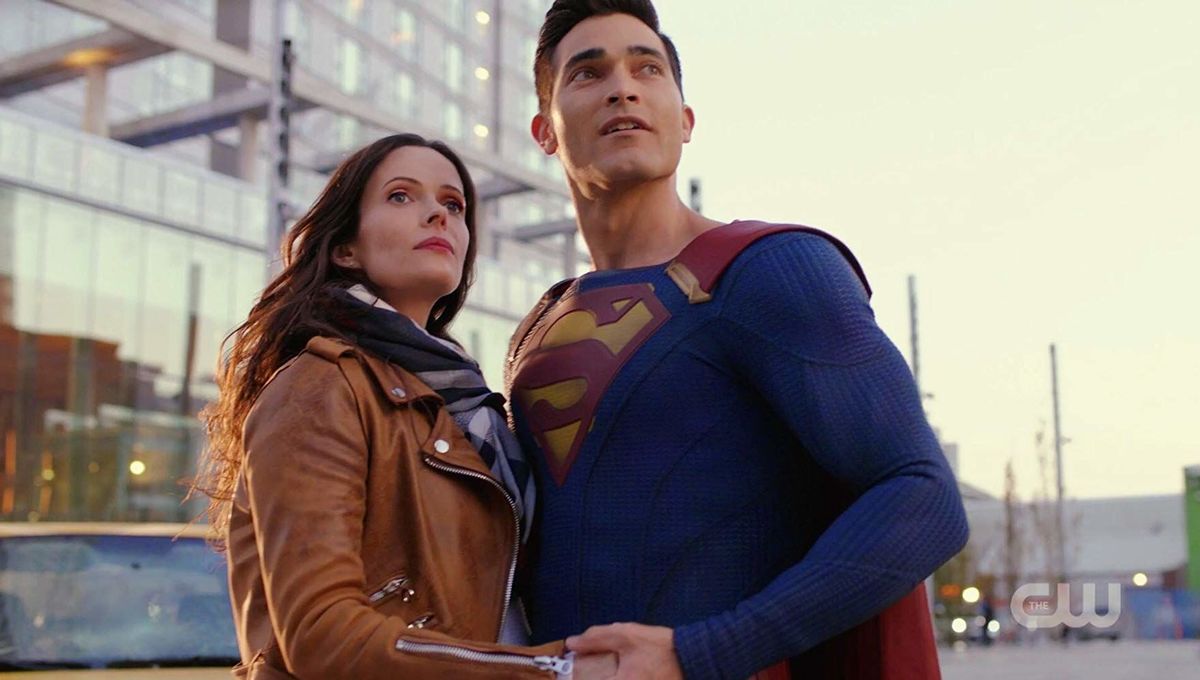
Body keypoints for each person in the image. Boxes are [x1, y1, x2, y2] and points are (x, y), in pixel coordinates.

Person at [505, 1, 971, 678]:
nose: (623, 88)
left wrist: (700, 653)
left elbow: (923, 497)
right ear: (545, 131)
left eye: (647, 68)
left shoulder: (767, 269)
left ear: (686, 120)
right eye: (588, 72)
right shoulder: (539, 326)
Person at [194, 134, 609, 680]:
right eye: (400, 196)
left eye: (453, 205)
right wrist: (554, 669)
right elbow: (320, 635)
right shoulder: (320, 386)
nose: (438, 214)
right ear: (345, 249)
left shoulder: (465, 404)